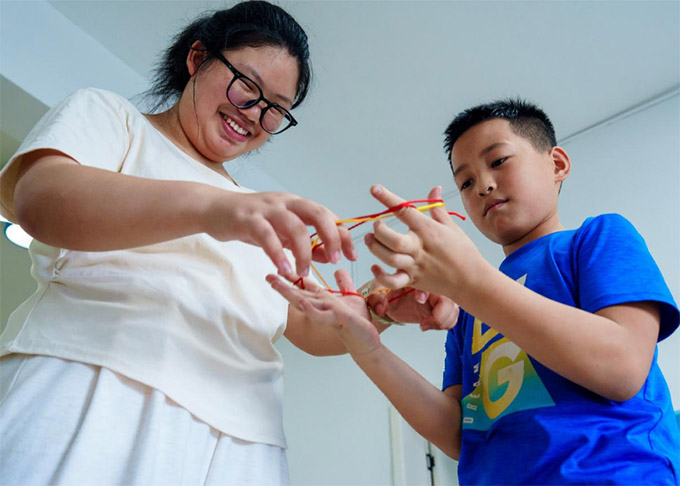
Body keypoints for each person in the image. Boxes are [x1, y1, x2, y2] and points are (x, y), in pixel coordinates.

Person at [0, 1, 457, 483]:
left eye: (275, 109)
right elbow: (40, 199)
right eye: (247, 86)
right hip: (94, 383)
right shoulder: (114, 118)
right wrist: (215, 208)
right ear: (197, 58)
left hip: (244, 441)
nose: (255, 114)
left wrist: (383, 309)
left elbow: (308, 325)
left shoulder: (254, 211)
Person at [268, 99, 680, 484]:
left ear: (557, 164)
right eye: (464, 182)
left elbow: (622, 368)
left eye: (498, 161)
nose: (482, 185)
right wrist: (368, 348)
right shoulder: (467, 303)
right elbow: (458, 434)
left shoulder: (598, 237)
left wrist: (470, 283)